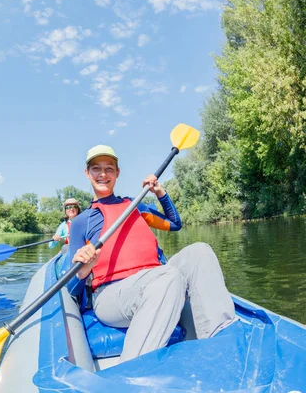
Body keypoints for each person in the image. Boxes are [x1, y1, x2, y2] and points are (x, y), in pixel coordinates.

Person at [62, 144, 237, 363]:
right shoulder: (81, 221)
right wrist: (84, 270)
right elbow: (71, 290)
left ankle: (220, 344)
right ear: (87, 173)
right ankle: (132, 372)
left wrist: (160, 194)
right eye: (96, 168)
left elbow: (175, 224)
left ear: (117, 173)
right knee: (168, 278)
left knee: (200, 252)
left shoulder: (136, 206)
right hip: (112, 295)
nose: (103, 174)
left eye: (109, 168)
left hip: (156, 278)